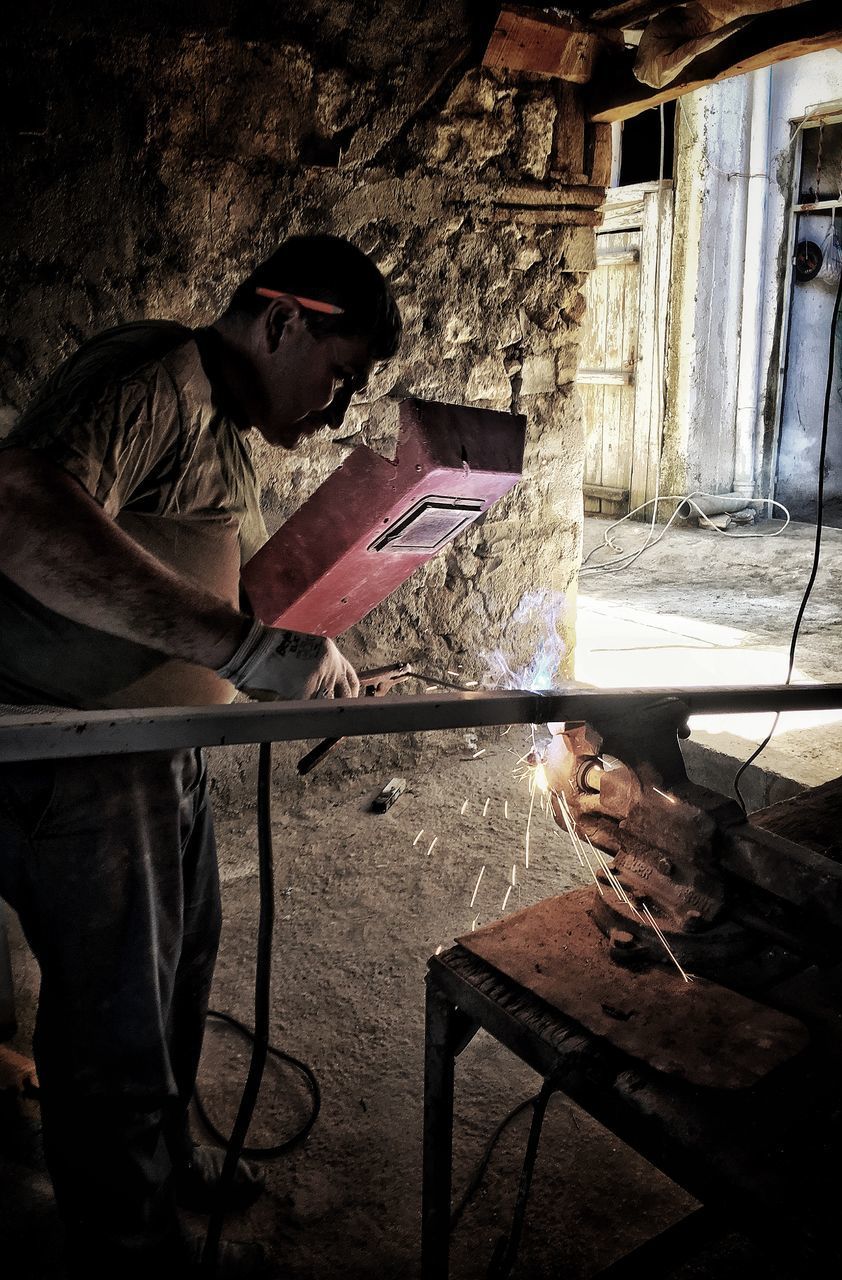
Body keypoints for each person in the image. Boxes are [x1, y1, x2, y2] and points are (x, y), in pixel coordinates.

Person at [0, 234, 402, 1278]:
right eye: (340, 376)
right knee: (114, 1020)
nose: (335, 412)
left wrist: (307, 637)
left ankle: (164, 1162)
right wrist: (241, 649)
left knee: (180, 972)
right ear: (282, 320)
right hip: (77, 750)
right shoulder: (153, 378)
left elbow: (226, 579)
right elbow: (20, 510)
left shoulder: (222, 425)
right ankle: (123, 1242)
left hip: (159, 749)